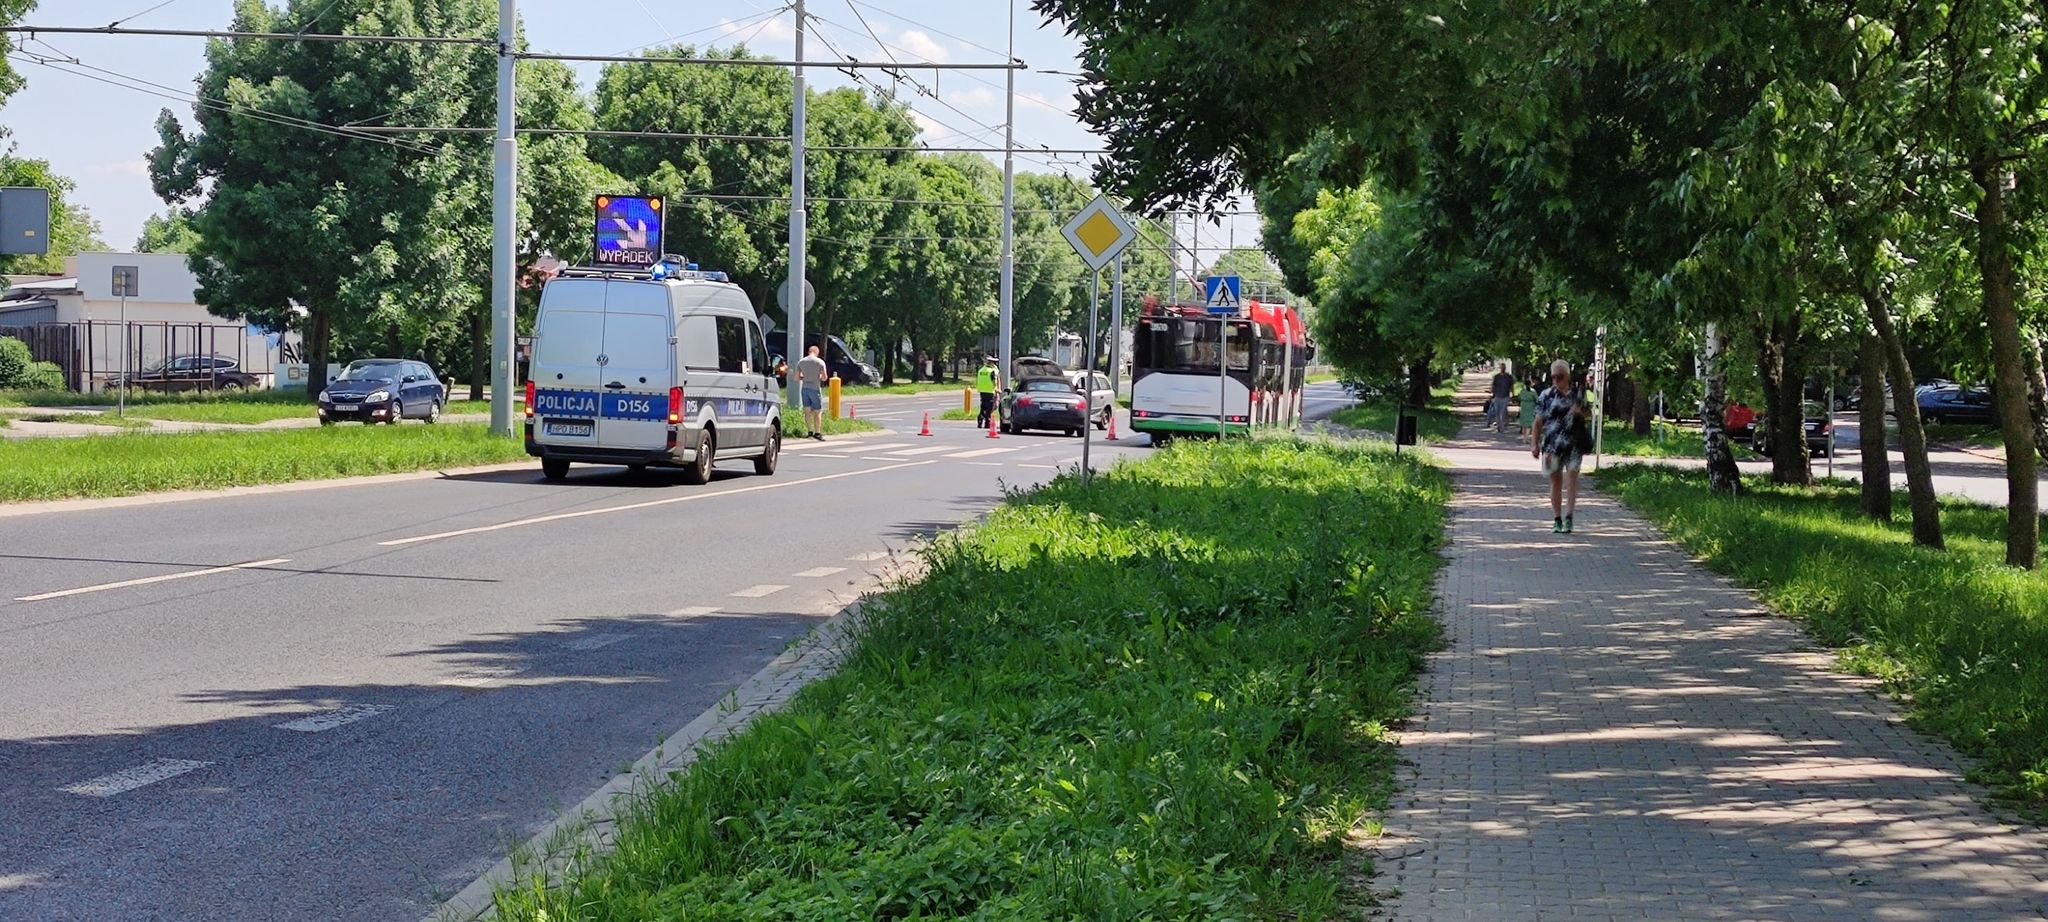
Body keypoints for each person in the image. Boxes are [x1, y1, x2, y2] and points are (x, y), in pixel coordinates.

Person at [1532, 359, 1591, 533]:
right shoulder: (1546, 395)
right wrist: (1534, 444)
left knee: (1572, 477)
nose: (1556, 380)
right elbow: (1537, 422)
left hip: (1574, 444)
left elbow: (1588, 413)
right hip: (1551, 445)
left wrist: (1581, 412)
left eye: (1560, 377)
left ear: (1567, 376)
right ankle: (1557, 518)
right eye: (1554, 377)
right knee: (1555, 481)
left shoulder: (1577, 394)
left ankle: (1569, 517)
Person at [795, 344, 829, 440]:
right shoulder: (820, 362)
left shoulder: (801, 362)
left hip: (805, 388)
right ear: (817, 353)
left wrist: (804, 377)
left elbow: (796, 378)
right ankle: (817, 433)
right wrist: (817, 377)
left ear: (808, 352)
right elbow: (824, 377)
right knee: (817, 412)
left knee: (807, 411)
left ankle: (809, 432)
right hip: (815, 388)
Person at [1489, 363, 1516, 433]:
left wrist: (1513, 395)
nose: (1502, 369)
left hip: (1505, 396)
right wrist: (1492, 394)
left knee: (1503, 412)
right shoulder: (1496, 377)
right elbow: (1493, 386)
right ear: (1500, 368)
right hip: (1497, 396)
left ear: (1505, 368)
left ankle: (1502, 426)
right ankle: (1499, 426)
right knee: (1497, 412)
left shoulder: (1509, 377)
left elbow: (1511, 386)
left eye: (1503, 368)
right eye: (1501, 368)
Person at [974, 355, 999, 429]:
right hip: (990, 391)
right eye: (993, 363)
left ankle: (980, 421)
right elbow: (994, 381)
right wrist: (996, 389)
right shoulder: (992, 371)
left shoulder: (981, 370)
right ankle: (987, 423)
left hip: (982, 391)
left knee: (983, 407)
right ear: (991, 363)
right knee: (989, 409)